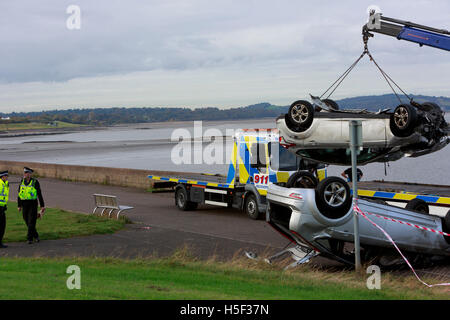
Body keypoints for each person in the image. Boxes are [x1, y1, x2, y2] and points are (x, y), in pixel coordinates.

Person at [17, 167, 45, 244]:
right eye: (25, 173)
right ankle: (36, 235)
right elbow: (19, 194)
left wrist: (42, 205)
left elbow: (39, 194)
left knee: (31, 221)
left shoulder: (35, 182)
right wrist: (19, 205)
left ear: (30, 174)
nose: (25, 174)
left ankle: (29, 238)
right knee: (26, 220)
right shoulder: (22, 181)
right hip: (24, 204)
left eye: (27, 173)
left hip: (33, 204)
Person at [0, 170, 9, 248]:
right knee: (1, 225)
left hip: (2, 207)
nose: (7, 177)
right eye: (6, 176)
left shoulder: (6, 183)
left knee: (3, 225)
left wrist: (4, 205)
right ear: (2, 176)